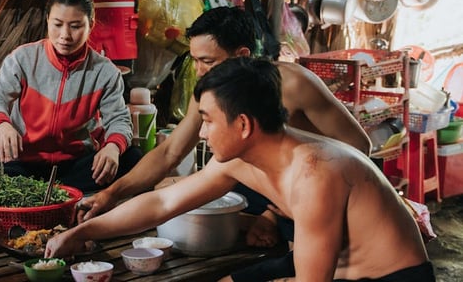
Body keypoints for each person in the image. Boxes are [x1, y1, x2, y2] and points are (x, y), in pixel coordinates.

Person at [46, 57, 433, 281]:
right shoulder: (239, 160)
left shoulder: (316, 173)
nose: (202, 133)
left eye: (208, 121)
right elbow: (162, 203)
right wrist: (82, 231)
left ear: (244, 125)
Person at [78, 6, 370, 247]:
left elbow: (359, 148)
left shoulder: (292, 84)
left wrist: (276, 211)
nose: (200, 71)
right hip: (254, 194)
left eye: (207, 61)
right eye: (194, 61)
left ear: (242, 55)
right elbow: (170, 153)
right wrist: (111, 194)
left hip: (315, 197)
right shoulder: (210, 92)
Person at [0, 0, 142, 194]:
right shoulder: (23, 59)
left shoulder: (105, 72)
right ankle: (58, 193)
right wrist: (3, 126)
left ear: (91, 24)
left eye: (76, 26)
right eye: (57, 24)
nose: (64, 35)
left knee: (133, 159)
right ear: (47, 19)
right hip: (24, 166)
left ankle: (49, 193)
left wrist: (113, 147)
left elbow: (119, 120)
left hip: (75, 165)